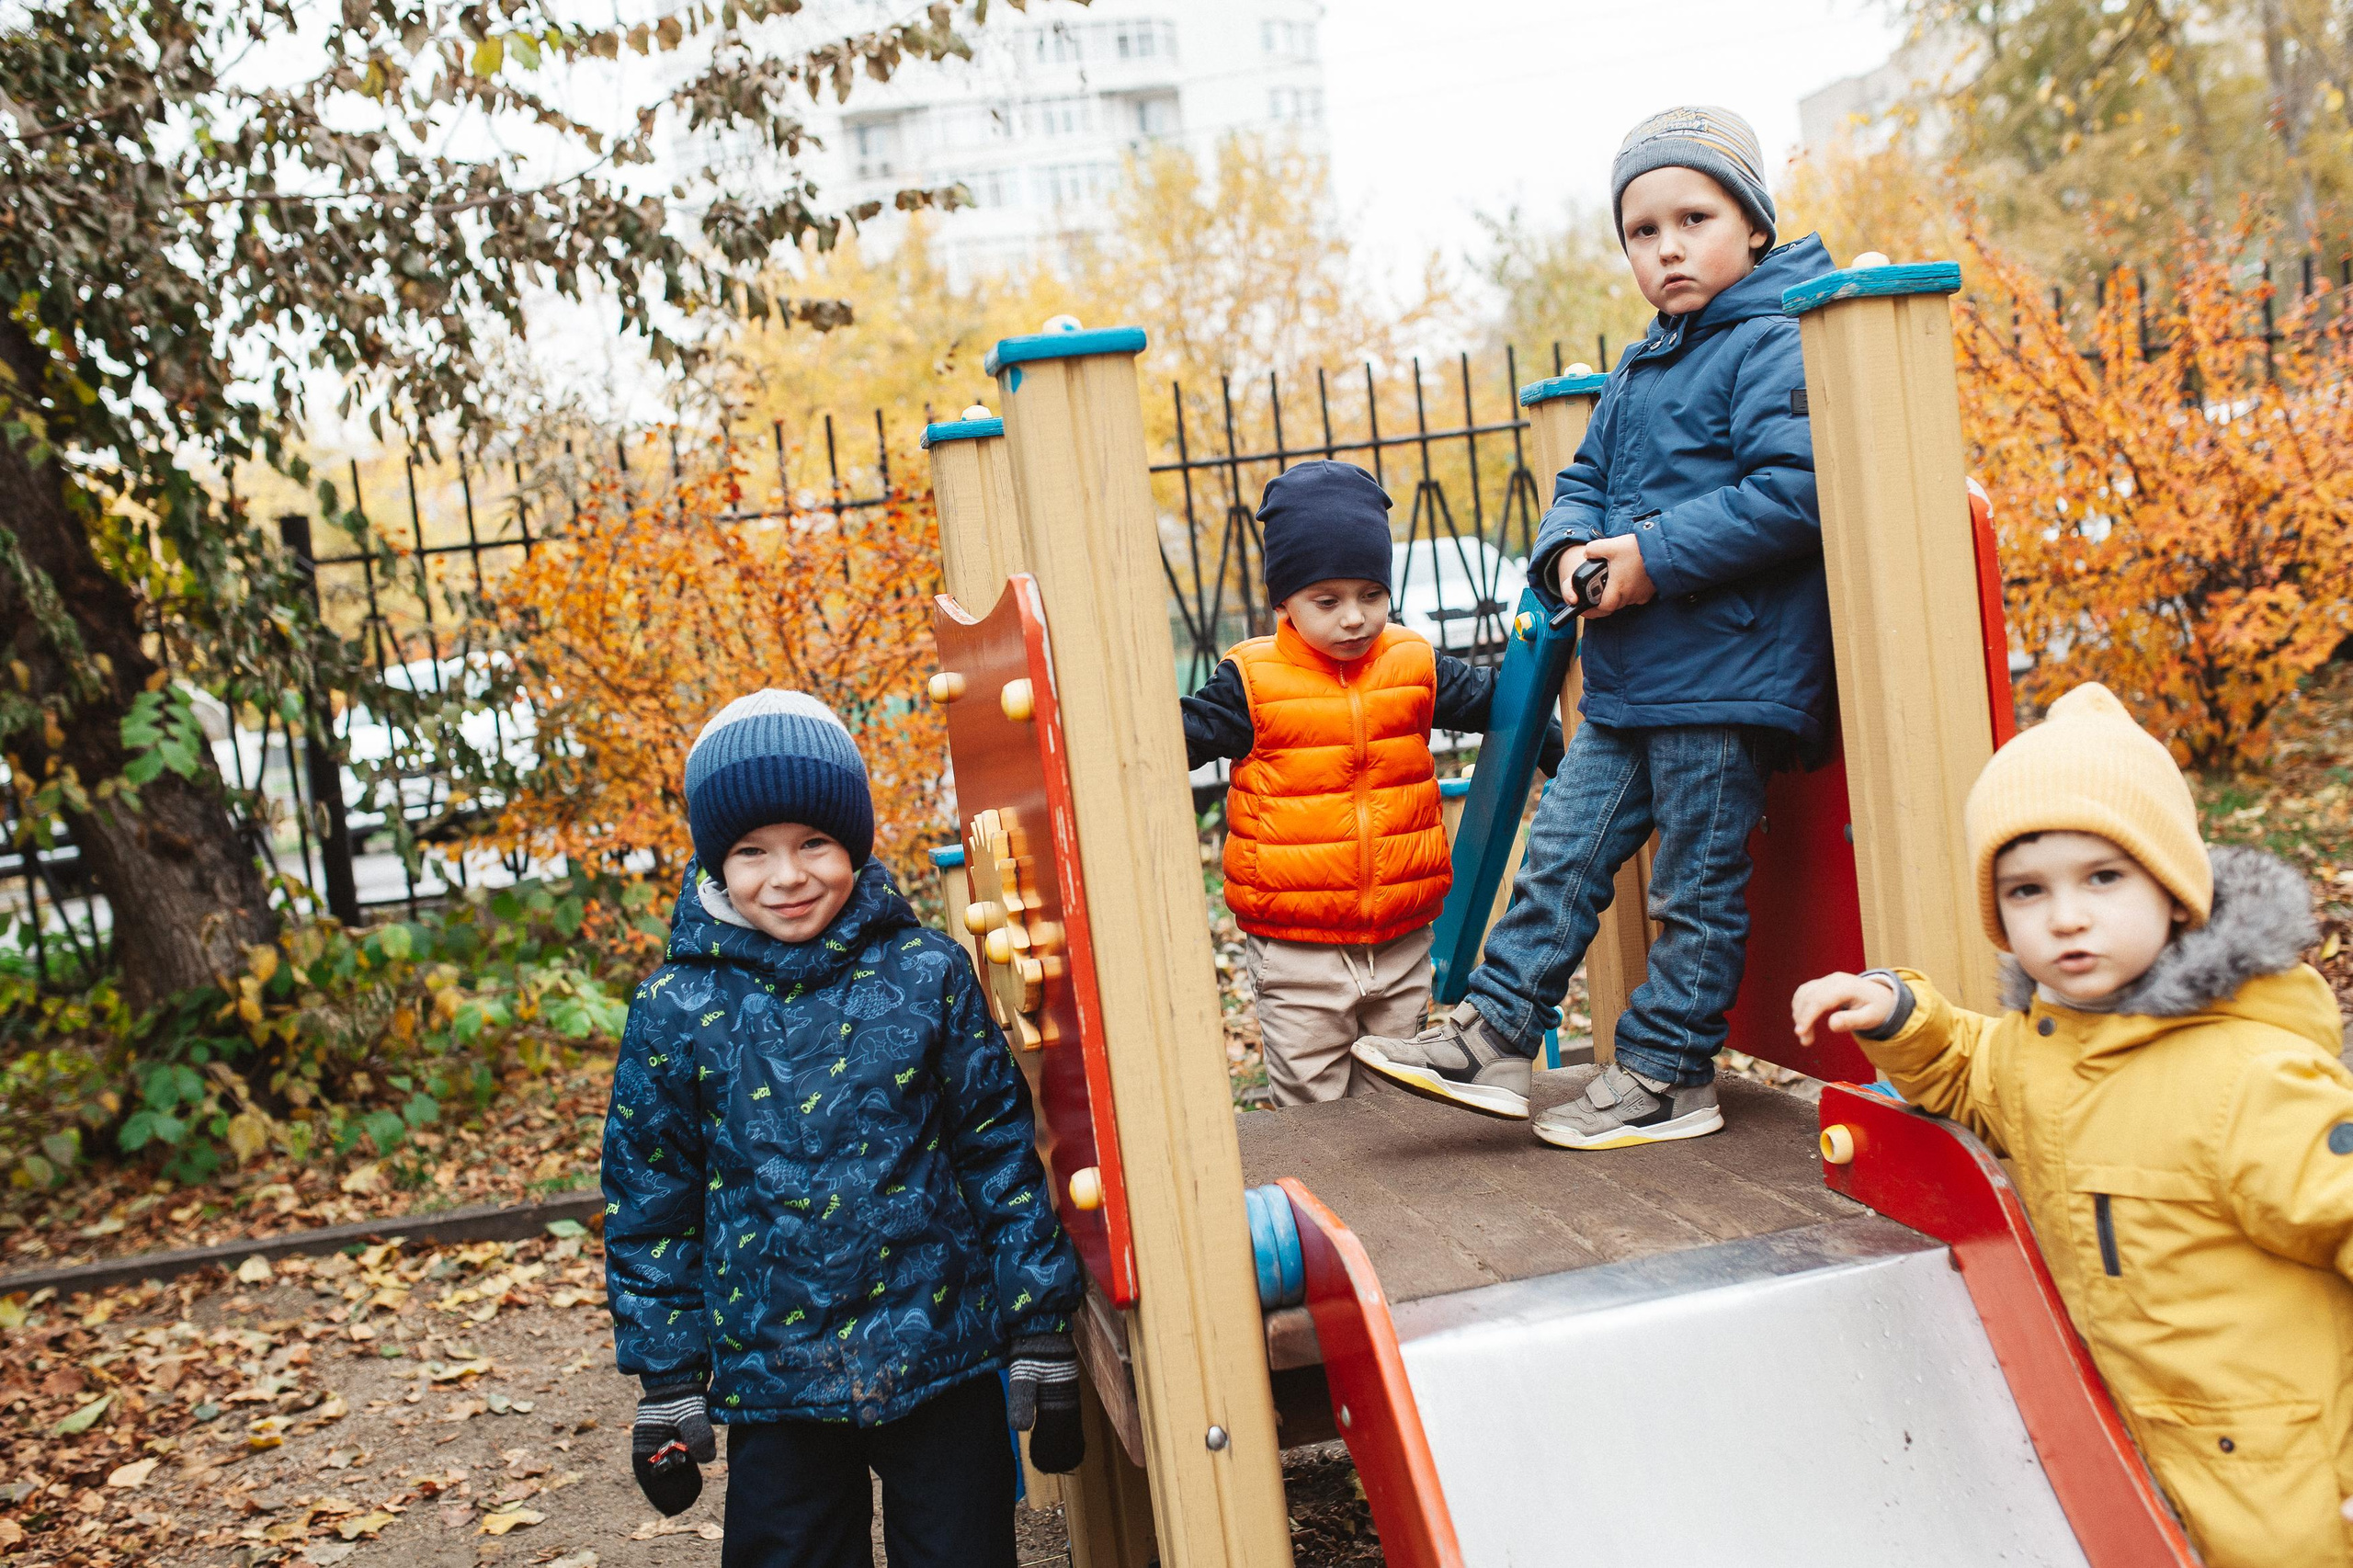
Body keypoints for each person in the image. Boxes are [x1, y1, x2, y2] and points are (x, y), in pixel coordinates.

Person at [1349, 107, 1836, 1147]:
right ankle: (1494, 1033)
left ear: (1751, 223)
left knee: (1694, 882)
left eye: (1692, 217)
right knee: (1561, 854)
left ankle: (1668, 1069)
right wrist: (1567, 551)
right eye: (1641, 230)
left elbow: (1794, 492)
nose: (1665, 246)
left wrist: (1649, 554)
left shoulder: (1774, 339)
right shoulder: (1640, 367)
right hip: (1631, 676)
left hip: (1729, 672)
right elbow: (1579, 484)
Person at [1793, 682, 2353, 1568]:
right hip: (2131, 1448)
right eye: (2026, 890)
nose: (2066, 916)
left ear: (2174, 892)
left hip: (2282, 1477)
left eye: (2103, 877)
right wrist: (1900, 1014)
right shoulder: (2039, 1053)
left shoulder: (2251, 1077)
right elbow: (1974, 1071)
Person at [601, 690, 1088, 1568]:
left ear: (853, 846)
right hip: (774, 1375)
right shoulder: (676, 1009)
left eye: (813, 844)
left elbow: (997, 1154)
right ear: (715, 864)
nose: (786, 877)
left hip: (938, 1352)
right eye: (751, 853)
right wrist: (668, 1377)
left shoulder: (925, 974)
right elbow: (650, 1203)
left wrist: (1038, 1324)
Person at [1181, 460, 1561, 1107]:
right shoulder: (1251, 682)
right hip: (1297, 951)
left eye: (1371, 595)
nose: (1354, 618)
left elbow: (1501, 708)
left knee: (1399, 1099)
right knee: (1314, 1105)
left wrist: (1557, 752)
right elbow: (1176, 739)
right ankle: (1328, 1203)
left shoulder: (1411, 662)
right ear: (1285, 603)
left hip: (1401, 939)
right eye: (1327, 601)